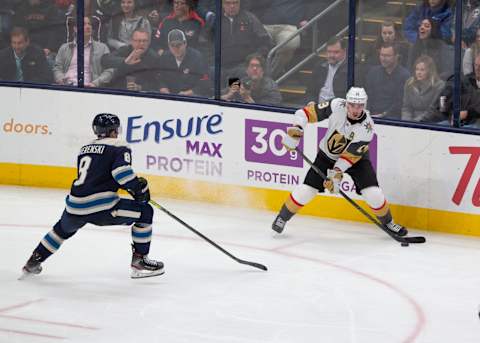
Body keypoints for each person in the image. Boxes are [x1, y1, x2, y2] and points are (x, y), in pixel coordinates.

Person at [22, 113, 164, 279]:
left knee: (60, 230)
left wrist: (130, 187)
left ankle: (33, 262)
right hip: (102, 208)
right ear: (112, 131)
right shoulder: (119, 146)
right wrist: (138, 188)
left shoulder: (85, 148)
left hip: (75, 206)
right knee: (145, 212)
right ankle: (140, 260)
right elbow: (121, 173)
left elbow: (97, 177)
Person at [271, 87, 408, 237]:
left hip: (356, 160)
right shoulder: (337, 105)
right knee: (306, 191)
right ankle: (282, 217)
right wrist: (296, 130)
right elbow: (304, 113)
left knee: (373, 193)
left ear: (365, 105)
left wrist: (336, 173)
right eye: (353, 105)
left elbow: (350, 157)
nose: (356, 109)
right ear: (347, 103)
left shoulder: (367, 127)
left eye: (360, 105)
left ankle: (388, 222)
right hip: (327, 156)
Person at [53, 16, 113, 87]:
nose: (88, 27)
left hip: (89, 87)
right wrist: (61, 79)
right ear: (75, 29)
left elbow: (109, 70)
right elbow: (57, 68)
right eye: (84, 24)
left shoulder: (102, 48)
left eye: (89, 24)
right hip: (67, 86)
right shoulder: (65, 47)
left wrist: (95, 83)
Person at [158, 28, 210, 96]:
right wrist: (163, 87)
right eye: (172, 45)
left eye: (179, 44)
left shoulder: (197, 57)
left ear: (185, 43)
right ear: (168, 46)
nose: (176, 48)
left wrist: (190, 92)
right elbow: (159, 77)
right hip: (170, 96)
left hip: (192, 97)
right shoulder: (164, 57)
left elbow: (206, 81)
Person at [365, 43, 410, 119]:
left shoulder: (404, 75)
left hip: (393, 117)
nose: (383, 58)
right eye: (382, 55)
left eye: (387, 56)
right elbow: (368, 95)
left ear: (396, 57)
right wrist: (367, 112)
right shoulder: (373, 72)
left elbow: (400, 102)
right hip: (371, 115)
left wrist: (384, 114)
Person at [401, 55, 445, 121]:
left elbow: (433, 111)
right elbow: (406, 107)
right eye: (417, 69)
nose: (418, 72)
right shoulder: (409, 83)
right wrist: (406, 121)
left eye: (422, 70)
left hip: (430, 122)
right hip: (410, 121)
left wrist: (415, 122)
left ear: (430, 71)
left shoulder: (439, 85)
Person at [305, 36, 348, 103]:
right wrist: (311, 102)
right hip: (317, 107)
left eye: (336, 52)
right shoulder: (319, 66)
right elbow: (310, 91)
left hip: (338, 109)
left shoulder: (352, 69)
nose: (331, 55)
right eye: (329, 52)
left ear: (344, 51)